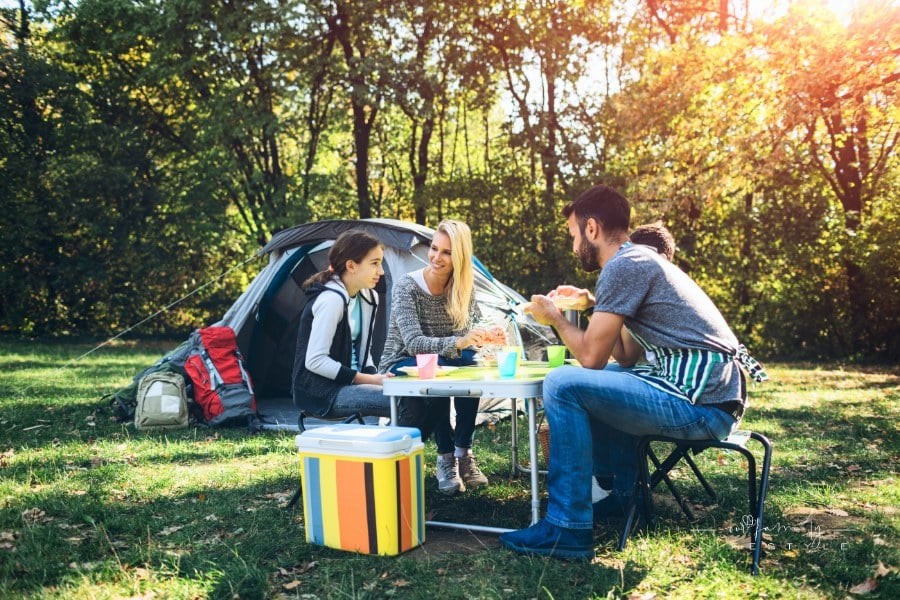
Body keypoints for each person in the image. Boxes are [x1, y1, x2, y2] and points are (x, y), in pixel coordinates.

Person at [498, 184, 766, 559]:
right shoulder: (636, 262)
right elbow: (625, 355)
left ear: (591, 228)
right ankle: (623, 497)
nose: (574, 244)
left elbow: (591, 357)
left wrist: (555, 317)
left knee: (562, 382)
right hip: (710, 396)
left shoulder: (624, 265)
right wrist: (593, 304)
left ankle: (566, 528)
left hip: (700, 401)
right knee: (605, 378)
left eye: (574, 234)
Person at [379, 219, 494, 495]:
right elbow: (415, 343)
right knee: (436, 369)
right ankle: (445, 458)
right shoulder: (408, 287)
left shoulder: (463, 288)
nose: (436, 257)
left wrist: (486, 336)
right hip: (401, 360)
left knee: (470, 363)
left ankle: (463, 452)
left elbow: (467, 333)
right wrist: (459, 341)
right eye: (434, 248)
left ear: (460, 257)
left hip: (441, 360)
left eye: (446, 252)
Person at [292, 230, 394, 421]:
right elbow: (314, 361)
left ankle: (441, 450)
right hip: (322, 391)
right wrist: (368, 380)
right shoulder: (331, 299)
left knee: (416, 397)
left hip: (351, 384)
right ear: (351, 266)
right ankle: (389, 448)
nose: (381, 271)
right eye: (375, 263)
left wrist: (376, 378)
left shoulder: (368, 297)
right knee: (403, 403)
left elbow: (365, 350)